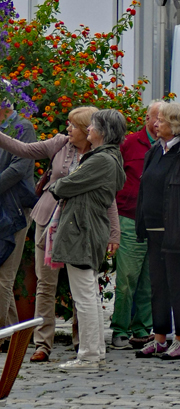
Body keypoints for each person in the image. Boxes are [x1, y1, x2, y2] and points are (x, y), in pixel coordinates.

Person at [0, 104, 119, 362]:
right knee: (46, 283)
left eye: (73, 125)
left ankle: (84, 343)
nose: (68, 129)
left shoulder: (99, 156)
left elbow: (108, 197)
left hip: (80, 223)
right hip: (49, 219)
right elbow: (25, 150)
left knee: (82, 285)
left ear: (90, 129)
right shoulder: (60, 143)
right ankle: (43, 344)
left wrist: (114, 232)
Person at [48, 109, 127, 371]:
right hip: (87, 227)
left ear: (102, 132)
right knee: (88, 293)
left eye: (93, 126)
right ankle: (95, 351)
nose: (89, 130)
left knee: (84, 296)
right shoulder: (107, 157)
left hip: (83, 229)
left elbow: (64, 185)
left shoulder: (101, 160)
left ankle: (89, 354)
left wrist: (58, 186)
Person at [134, 102, 180, 361]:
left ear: (176, 126)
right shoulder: (155, 151)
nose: (156, 125)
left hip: (176, 233)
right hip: (154, 231)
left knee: (178, 286)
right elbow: (146, 188)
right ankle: (159, 338)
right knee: (158, 286)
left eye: (162, 121)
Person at [110, 101, 162, 350]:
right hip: (130, 217)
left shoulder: (168, 146)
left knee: (149, 279)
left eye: (165, 118)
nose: (161, 122)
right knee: (127, 277)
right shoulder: (130, 143)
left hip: (156, 220)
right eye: (157, 117)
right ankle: (119, 328)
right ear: (147, 119)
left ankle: (142, 328)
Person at [0, 103, 37, 329]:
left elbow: (18, 169)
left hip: (16, 209)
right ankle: (12, 334)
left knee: (5, 273)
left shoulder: (23, 127)